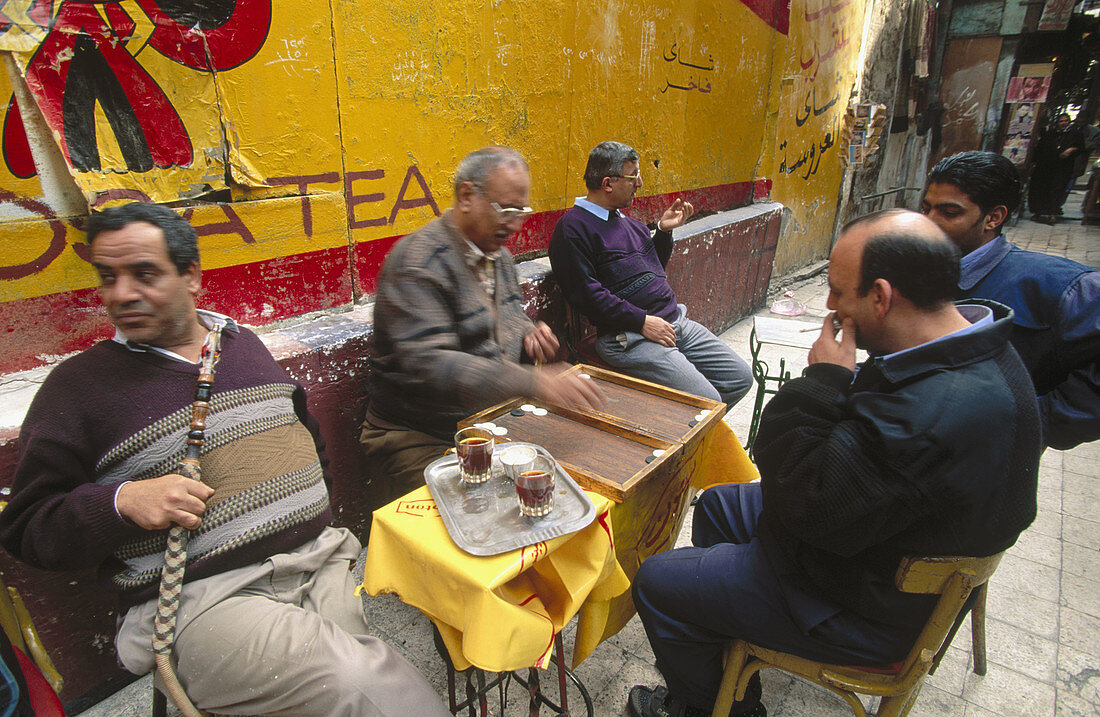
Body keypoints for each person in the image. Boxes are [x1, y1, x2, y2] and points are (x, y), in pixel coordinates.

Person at [0, 203, 450, 716]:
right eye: (109, 277)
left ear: (190, 276)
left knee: (348, 675)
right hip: (206, 599)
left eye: (144, 275)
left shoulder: (241, 346)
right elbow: (26, 528)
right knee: (371, 688)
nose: (122, 294)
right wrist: (122, 502)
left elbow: (305, 436)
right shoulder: (78, 387)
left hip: (316, 565)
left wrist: (314, 519)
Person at [627, 210, 1040, 717]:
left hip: (865, 602)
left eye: (839, 292)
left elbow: (807, 501)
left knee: (658, 583)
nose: (829, 305)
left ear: (882, 298)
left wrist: (820, 383)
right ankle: (728, 641)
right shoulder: (974, 341)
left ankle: (714, 706)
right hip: (871, 544)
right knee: (716, 505)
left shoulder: (932, 414)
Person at [362, 146, 602, 504]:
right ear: (466, 196)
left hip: (483, 421)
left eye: (521, 211)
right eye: (506, 209)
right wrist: (534, 381)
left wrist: (528, 334)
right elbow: (431, 363)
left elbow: (506, 316)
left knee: (573, 473)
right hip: (417, 436)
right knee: (502, 505)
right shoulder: (417, 261)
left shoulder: (499, 256)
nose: (516, 223)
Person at [548, 141, 752, 408]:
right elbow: (585, 294)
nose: (640, 183)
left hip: (674, 323)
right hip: (628, 337)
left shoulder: (629, 223)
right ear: (608, 183)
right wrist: (642, 321)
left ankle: (686, 434)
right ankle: (685, 432)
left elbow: (651, 270)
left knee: (739, 379)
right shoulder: (573, 228)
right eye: (633, 176)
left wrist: (664, 233)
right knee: (707, 403)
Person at [924, 150, 1100, 449]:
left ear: (993, 217)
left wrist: (1032, 424)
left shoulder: (1060, 286)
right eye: (926, 208)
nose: (929, 222)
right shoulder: (920, 269)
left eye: (949, 213)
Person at [1027, 112, 1084, 223]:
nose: (1063, 123)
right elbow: (1042, 148)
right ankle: (1040, 212)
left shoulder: (1075, 134)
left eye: (1066, 121)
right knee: (1043, 188)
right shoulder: (1051, 133)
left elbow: (1081, 148)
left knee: (1057, 189)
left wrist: (1071, 150)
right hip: (1047, 166)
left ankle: (1052, 213)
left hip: (1063, 167)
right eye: (1061, 121)